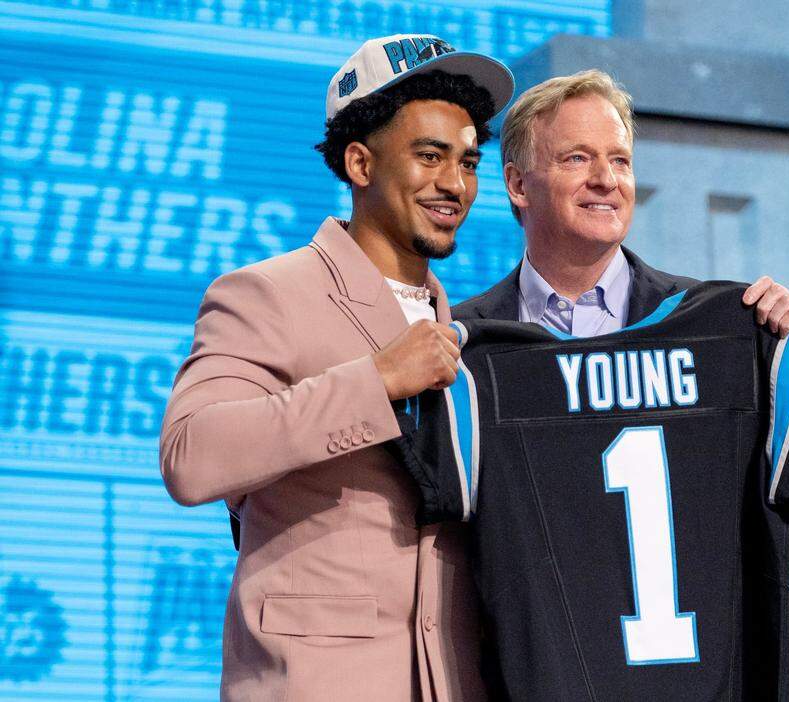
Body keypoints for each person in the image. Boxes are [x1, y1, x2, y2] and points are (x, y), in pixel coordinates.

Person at [158, 34, 512, 701]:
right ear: (359, 162)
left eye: (468, 162)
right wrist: (374, 382)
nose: (455, 184)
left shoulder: (465, 331)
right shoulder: (266, 292)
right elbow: (190, 455)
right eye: (429, 156)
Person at [455, 69, 789, 533]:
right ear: (517, 185)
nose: (606, 180)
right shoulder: (463, 346)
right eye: (577, 158)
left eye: (620, 160)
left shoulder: (710, 327)